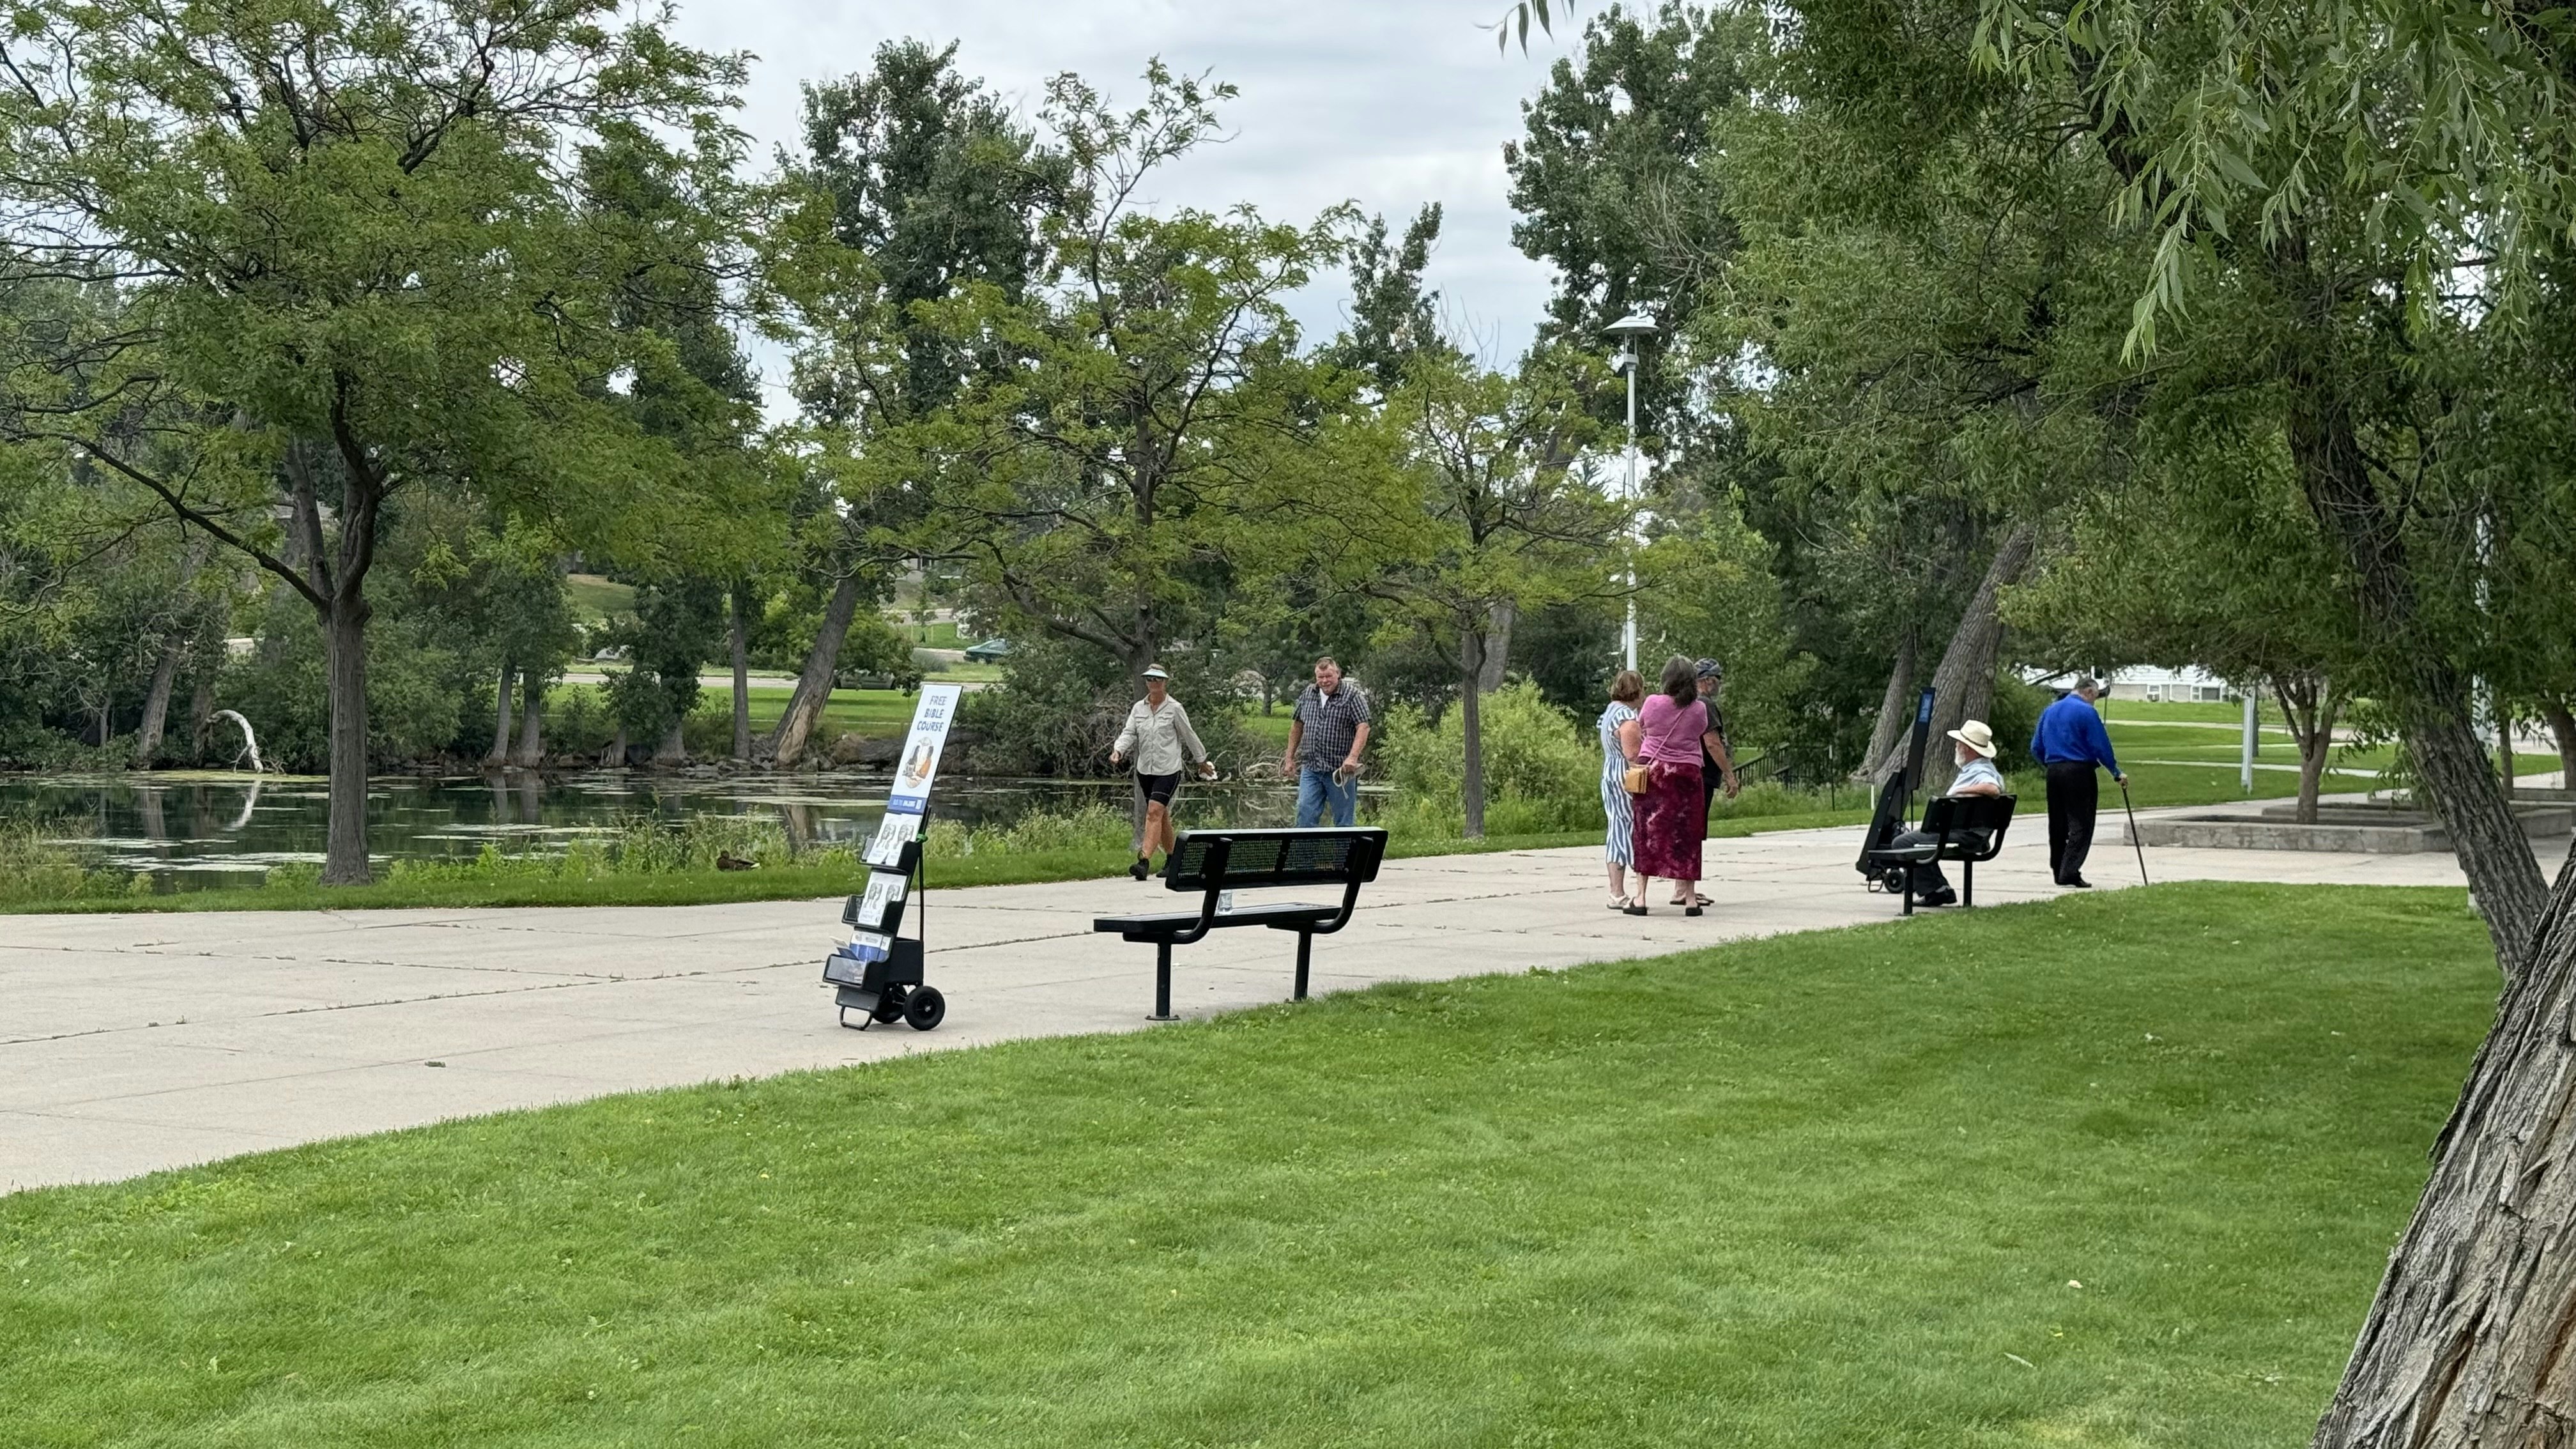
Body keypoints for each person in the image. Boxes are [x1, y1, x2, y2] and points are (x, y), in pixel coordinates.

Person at [1629, 655, 1728, 917]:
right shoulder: (1699, 709)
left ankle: (1640, 897)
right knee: (1688, 834)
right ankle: (1691, 898)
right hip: (1688, 774)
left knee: (1646, 832)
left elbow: (1643, 728)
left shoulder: (1652, 702)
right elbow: (1700, 735)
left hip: (1654, 773)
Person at [1887, 719, 2007, 908]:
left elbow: (1993, 789)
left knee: (1902, 842)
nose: (1956, 746)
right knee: (1916, 839)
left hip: (1964, 834)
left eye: (1959, 743)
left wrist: (1962, 791)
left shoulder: (1980, 770)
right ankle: (1938, 889)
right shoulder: (1982, 768)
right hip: (1974, 833)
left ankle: (1936, 891)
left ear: (1968, 749)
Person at [1110, 664, 1215, 880]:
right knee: (1161, 815)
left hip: (1168, 769)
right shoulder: (1139, 709)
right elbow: (1129, 732)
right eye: (1149, 679)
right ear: (1146, 682)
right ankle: (1173, 859)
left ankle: (1144, 860)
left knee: (1154, 812)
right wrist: (1118, 750)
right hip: (1145, 770)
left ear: (1165, 682)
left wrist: (1201, 760)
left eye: (1157, 680)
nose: (1153, 683)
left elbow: (1189, 735)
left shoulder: (1175, 708)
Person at [2030, 675, 2126, 888]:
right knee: (2081, 824)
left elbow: (2036, 746)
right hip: (2079, 771)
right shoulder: (2086, 712)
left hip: (2054, 771)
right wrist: (2115, 770)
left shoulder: (2050, 710)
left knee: (2057, 823)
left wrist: (2050, 764)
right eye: (2096, 696)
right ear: (2089, 692)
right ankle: (2070, 871)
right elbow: (2100, 745)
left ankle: (2058, 869)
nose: (2095, 701)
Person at [1282, 656, 1372, 828]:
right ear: (1316, 677)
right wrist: (1289, 758)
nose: (1325, 681)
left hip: (1340, 771)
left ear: (1338, 674)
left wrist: (1353, 758)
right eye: (1320, 677)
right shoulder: (1308, 694)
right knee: (1304, 814)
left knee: (1344, 821)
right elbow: (1297, 726)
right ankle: (1306, 855)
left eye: (1328, 676)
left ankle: (1343, 855)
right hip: (1311, 768)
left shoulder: (1352, 696)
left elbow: (1363, 727)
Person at [1689, 660, 1744, 908]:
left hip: (1691, 773)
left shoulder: (1690, 703)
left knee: (1690, 831)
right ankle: (1685, 888)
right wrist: (1730, 776)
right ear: (1707, 680)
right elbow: (1712, 743)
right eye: (1717, 679)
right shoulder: (1706, 704)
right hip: (1703, 775)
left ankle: (1684, 886)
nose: (1719, 684)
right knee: (1695, 832)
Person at [1597, 670, 1646, 909]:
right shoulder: (1627, 717)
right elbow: (1633, 754)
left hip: (1609, 772)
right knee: (1624, 829)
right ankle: (1618, 891)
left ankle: (1615, 890)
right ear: (1636, 690)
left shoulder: (1610, 711)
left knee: (1615, 826)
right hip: (1624, 778)